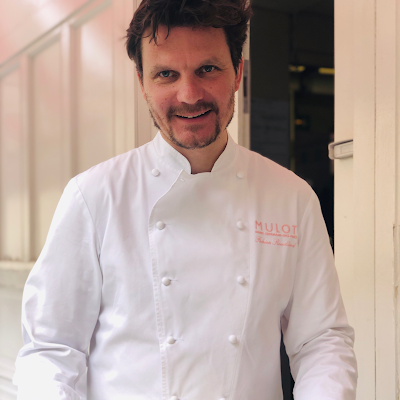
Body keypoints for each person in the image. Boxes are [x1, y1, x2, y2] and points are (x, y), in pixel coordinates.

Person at [14, 0, 357, 399]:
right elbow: (52, 349)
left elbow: (321, 341)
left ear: (238, 72)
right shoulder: (94, 197)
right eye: (166, 74)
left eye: (208, 69)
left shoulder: (292, 198)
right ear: (142, 82)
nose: (189, 95)